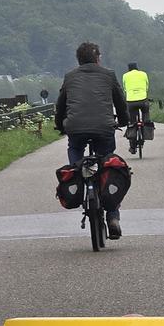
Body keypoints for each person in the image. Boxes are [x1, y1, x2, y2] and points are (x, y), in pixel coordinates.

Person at [54, 41, 128, 238]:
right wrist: (123, 120)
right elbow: (120, 102)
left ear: (79, 60)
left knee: (76, 153)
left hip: (75, 128)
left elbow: (60, 105)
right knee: (108, 165)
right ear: (97, 58)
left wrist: (61, 125)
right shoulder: (109, 75)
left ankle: (77, 174)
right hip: (104, 128)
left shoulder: (70, 77)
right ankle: (112, 216)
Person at [122, 62, 150, 144]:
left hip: (131, 101)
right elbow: (147, 86)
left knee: (132, 121)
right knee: (145, 112)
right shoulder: (143, 74)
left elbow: (125, 89)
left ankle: (132, 144)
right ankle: (145, 129)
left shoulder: (125, 75)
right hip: (143, 99)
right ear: (137, 67)